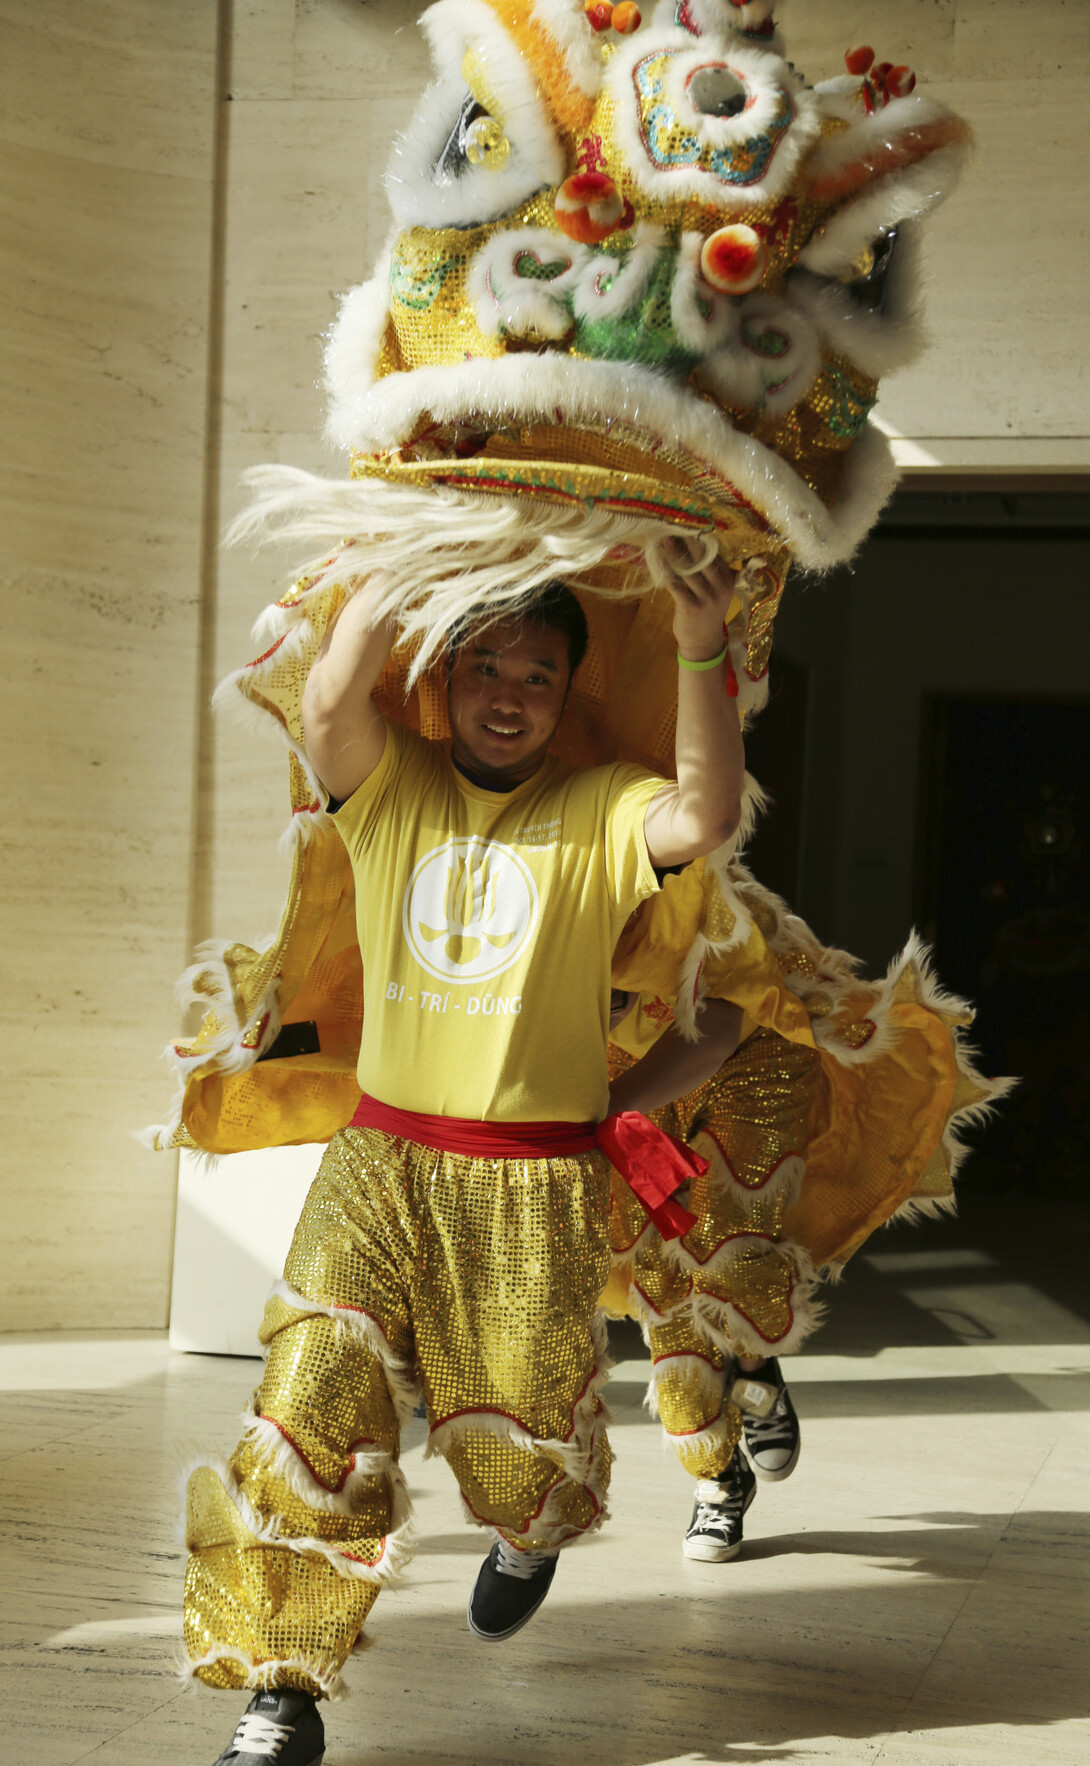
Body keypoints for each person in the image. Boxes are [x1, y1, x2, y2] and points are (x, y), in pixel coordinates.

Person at [184, 552, 745, 1766]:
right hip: (380, 1160)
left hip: (535, 1181)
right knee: (305, 1400)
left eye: (536, 672)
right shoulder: (395, 786)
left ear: (562, 693)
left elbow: (704, 817)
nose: (508, 689)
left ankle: (527, 1528)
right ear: (445, 675)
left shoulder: (602, 805)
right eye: (484, 663)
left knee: (516, 1446)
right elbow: (327, 708)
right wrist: (396, 567)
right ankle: (281, 1693)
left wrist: (704, 644)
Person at [600, 850, 1007, 1566]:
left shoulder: (691, 871)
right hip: (612, 1077)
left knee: (731, 1245)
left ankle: (754, 1364)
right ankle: (717, 1481)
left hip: (751, 1048)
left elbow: (722, 1025)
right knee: (659, 1282)